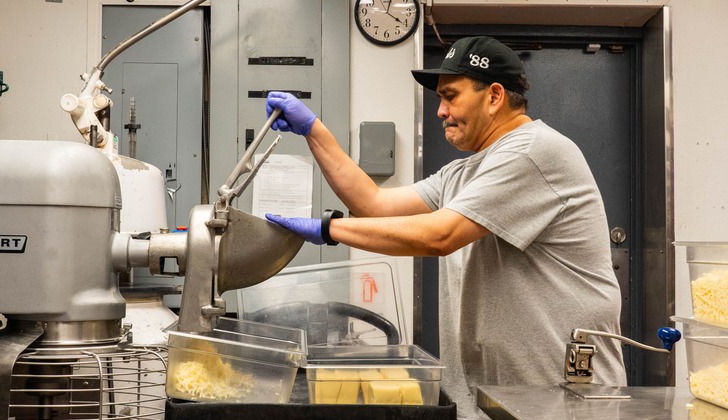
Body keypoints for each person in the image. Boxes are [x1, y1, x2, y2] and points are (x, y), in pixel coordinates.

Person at [264, 36, 626, 418]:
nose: (440, 111)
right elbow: (374, 204)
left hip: (556, 401)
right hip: (496, 401)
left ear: (494, 96)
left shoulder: (533, 151)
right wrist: (315, 133)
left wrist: (328, 229)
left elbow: (440, 236)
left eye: (450, 96)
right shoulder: (465, 171)